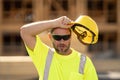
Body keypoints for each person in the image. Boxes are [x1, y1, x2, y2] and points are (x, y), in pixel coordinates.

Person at [20, 16, 98, 80]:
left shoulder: (84, 62)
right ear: (50, 37)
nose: (62, 41)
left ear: (70, 37)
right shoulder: (44, 54)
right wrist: (55, 23)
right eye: (57, 37)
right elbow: (25, 32)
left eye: (66, 37)